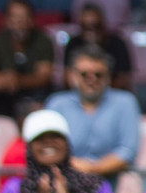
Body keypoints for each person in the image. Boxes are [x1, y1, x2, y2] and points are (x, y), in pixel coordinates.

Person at [45, 46, 140, 182]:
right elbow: (48, 147)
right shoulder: (57, 104)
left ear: (108, 76)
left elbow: (127, 150)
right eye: (84, 74)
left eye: (98, 74)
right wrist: (74, 166)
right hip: (65, 180)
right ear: (72, 75)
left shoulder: (125, 102)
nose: (91, 79)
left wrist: (93, 170)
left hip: (113, 182)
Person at [0, 0, 54, 117]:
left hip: (32, 91)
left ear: (31, 20)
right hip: (2, 93)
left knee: (47, 95)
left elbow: (44, 76)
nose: (19, 22)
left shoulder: (43, 40)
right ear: (6, 20)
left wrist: (17, 80)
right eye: (15, 17)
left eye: (24, 17)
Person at [63, 2, 132, 92]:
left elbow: (124, 78)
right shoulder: (73, 43)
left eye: (95, 25)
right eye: (86, 26)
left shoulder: (117, 43)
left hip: (112, 94)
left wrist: (98, 91)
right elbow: (68, 78)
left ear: (103, 23)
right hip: (80, 96)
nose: (91, 30)